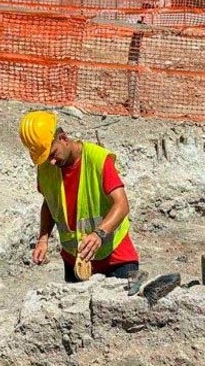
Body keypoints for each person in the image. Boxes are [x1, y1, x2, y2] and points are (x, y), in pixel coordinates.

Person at [18, 111, 139, 282]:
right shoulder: (47, 167)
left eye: (52, 153)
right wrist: (43, 239)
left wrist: (99, 234)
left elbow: (122, 205)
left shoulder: (97, 159)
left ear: (63, 138)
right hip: (75, 260)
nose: (51, 162)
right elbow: (50, 202)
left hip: (115, 258)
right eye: (45, 157)